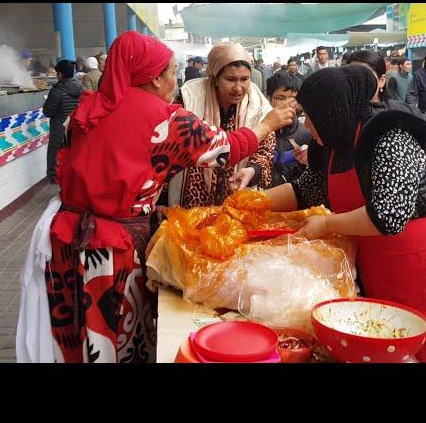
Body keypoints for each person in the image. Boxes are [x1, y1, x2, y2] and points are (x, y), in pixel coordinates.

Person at [42, 31, 295, 363]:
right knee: (113, 335)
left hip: (66, 239)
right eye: (171, 72)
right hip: (110, 250)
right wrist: (268, 124)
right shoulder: (162, 117)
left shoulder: (92, 105)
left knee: (77, 331)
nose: (175, 81)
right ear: (153, 76)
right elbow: (226, 149)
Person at [264, 65, 426, 362]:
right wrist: (255, 201)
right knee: (388, 345)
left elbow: (388, 215)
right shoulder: (336, 141)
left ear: (332, 112)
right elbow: (307, 189)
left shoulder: (390, 136)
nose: (307, 125)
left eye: (311, 116)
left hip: (424, 266)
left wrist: (325, 224)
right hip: (380, 264)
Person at [170, 42, 279, 208]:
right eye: (230, 79)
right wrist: (161, 198)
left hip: (236, 199)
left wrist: (252, 170)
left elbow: (266, 148)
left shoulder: (258, 105)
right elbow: (170, 149)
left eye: (244, 79)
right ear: (215, 78)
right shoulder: (189, 99)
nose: (238, 88)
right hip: (193, 199)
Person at [346, 50, 426, 176]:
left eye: (363, 75)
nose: (356, 82)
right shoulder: (342, 115)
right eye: (350, 76)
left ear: (382, 80)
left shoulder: (403, 113)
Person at [266, 72, 312, 187]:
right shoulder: (261, 131)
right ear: (269, 98)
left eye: (293, 99)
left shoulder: (308, 133)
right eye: (280, 98)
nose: (287, 103)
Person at [42, 60, 83, 184]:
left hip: (59, 127)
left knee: (55, 155)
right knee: (73, 154)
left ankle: (56, 180)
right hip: (75, 126)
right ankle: (73, 181)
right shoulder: (81, 88)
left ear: (60, 74)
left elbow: (48, 111)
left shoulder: (56, 91)